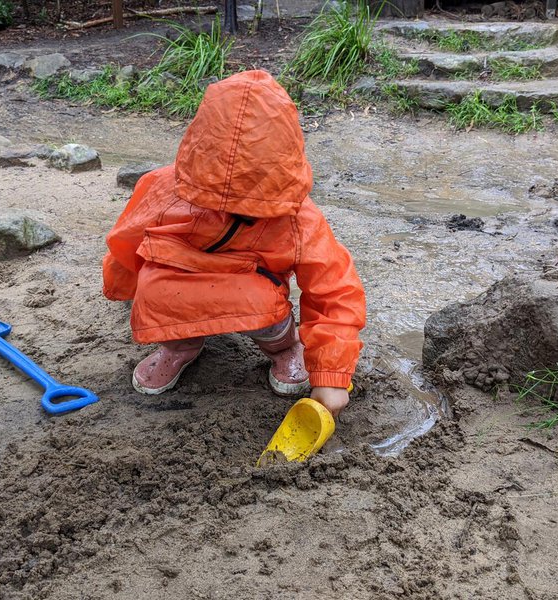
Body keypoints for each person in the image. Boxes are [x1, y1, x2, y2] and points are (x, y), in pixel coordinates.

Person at [102, 70, 366, 417]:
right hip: (178, 294)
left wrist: (330, 372)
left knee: (256, 305)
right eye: (214, 199)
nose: (228, 207)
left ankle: (285, 349)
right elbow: (126, 242)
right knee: (155, 293)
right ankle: (180, 346)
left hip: (254, 301)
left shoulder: (296, 217)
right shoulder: (164, 188)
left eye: (248, 203)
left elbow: (334, 290)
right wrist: (128, 291)